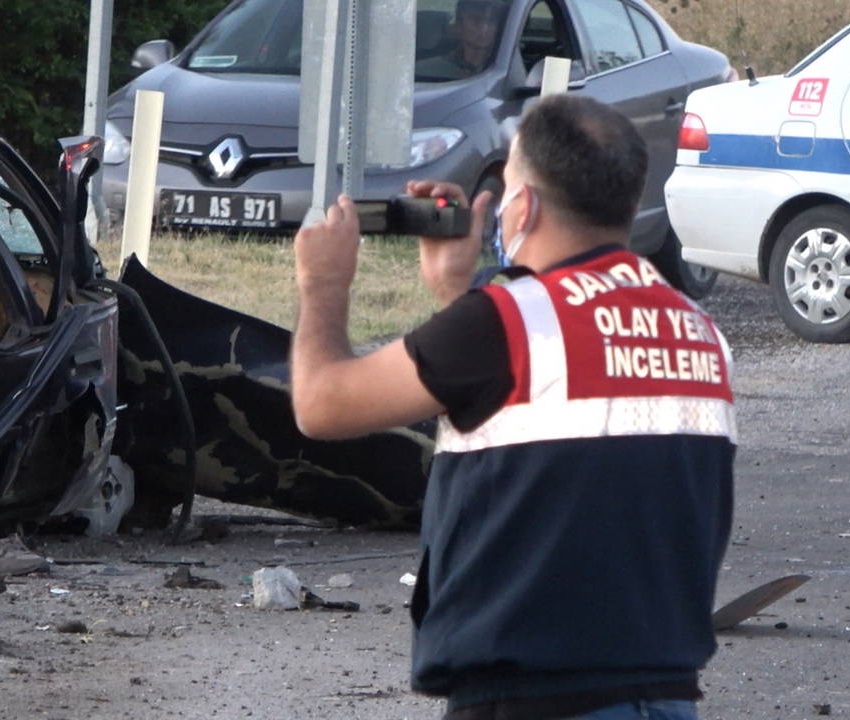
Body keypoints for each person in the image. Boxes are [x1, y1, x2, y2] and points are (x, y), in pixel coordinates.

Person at [291, 94, 736, 720]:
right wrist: (454, 290)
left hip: (529, 699)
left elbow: (321, 403)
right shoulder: (699, 332)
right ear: (629, 202)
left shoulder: (502, 326)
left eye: (506, 189)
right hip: (663, 695)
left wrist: (323, 284)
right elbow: (524, 406)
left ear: (522, 204)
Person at [416, 0, 508, 80]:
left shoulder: (507, 69)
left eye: (491, 21)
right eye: (476, 20)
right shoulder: (427, 70)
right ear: (459, 26)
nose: (484, 28)